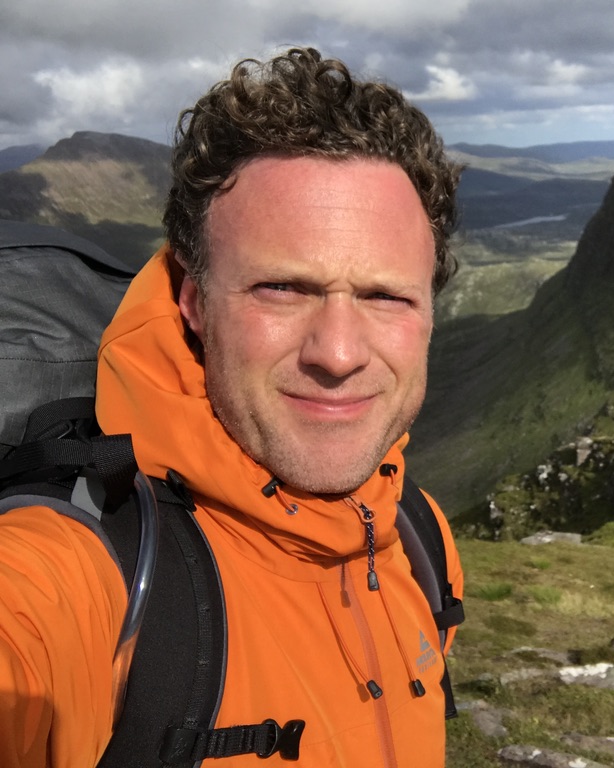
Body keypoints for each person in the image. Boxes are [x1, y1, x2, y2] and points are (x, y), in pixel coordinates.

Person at [0, 47, 464, 767]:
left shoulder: (422, 540)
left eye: (385, 296)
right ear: (192, 298)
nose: (337, 354)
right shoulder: (88, 569)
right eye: (281, 288)